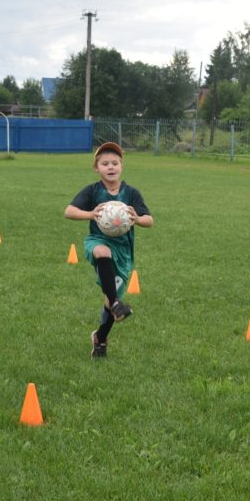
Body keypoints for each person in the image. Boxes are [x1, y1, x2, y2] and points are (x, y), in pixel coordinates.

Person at [64, 142, 153, 358]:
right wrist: (91, 214)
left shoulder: (131, 193)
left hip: (123, 251)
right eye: (105, 164)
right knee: (103, 253)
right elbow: (69, 211)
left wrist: (137, 218)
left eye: (115, 163)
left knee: (110, 302)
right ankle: (115, 303)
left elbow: (149, 220)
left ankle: (100, 338)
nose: (111, 167)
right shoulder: (92, 191)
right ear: (96, 168)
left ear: (122, 166)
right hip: (98, 240)